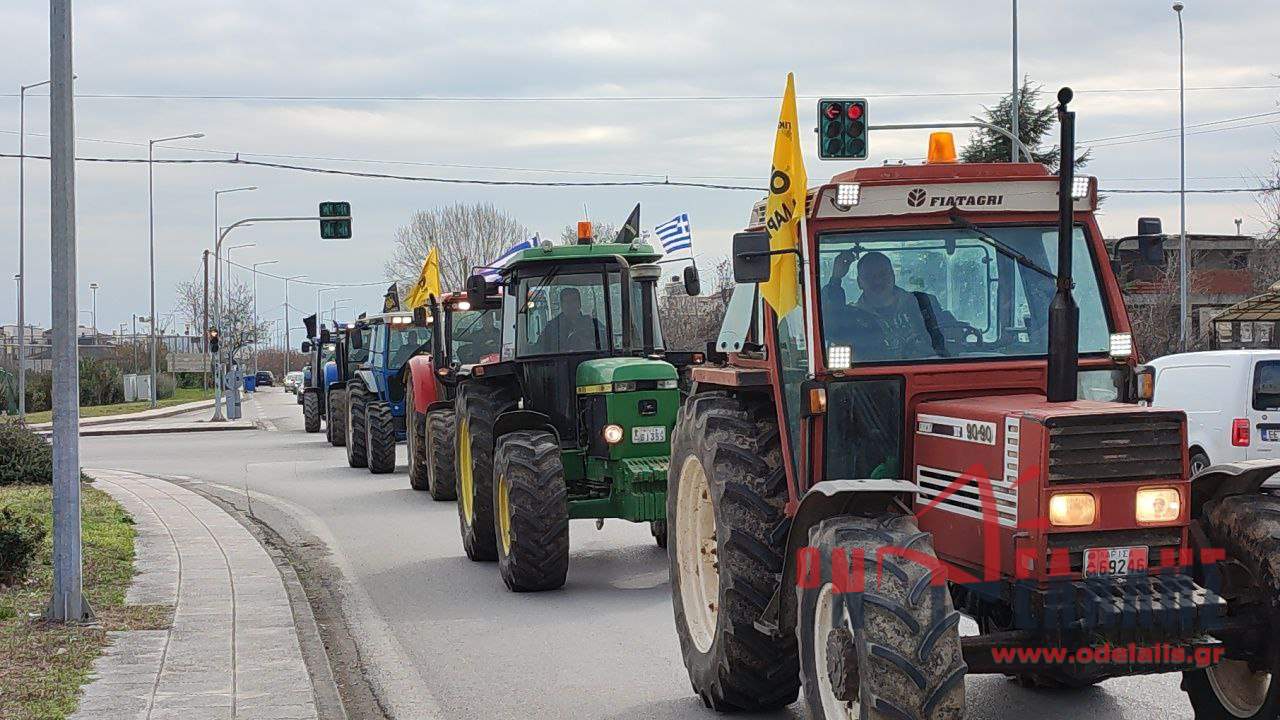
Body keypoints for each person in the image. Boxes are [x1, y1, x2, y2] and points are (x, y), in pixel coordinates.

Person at [825, 251, 952, 360]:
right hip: (872, 383)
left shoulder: (923, 303)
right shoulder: (851, 316)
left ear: (893, 276)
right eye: (869, 276)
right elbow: (829, 329)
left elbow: (951, 337)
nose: (877, 281)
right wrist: (835, 279)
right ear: (859, 282)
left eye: (883, 274)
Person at [537, 287, 604, 353]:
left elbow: (606, 342)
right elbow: (539, 350)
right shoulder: (552, 327)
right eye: (567, 302)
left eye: (574, 301)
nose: (571, 305)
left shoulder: (592, 324)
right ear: (562, 305)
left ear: (579, 304)